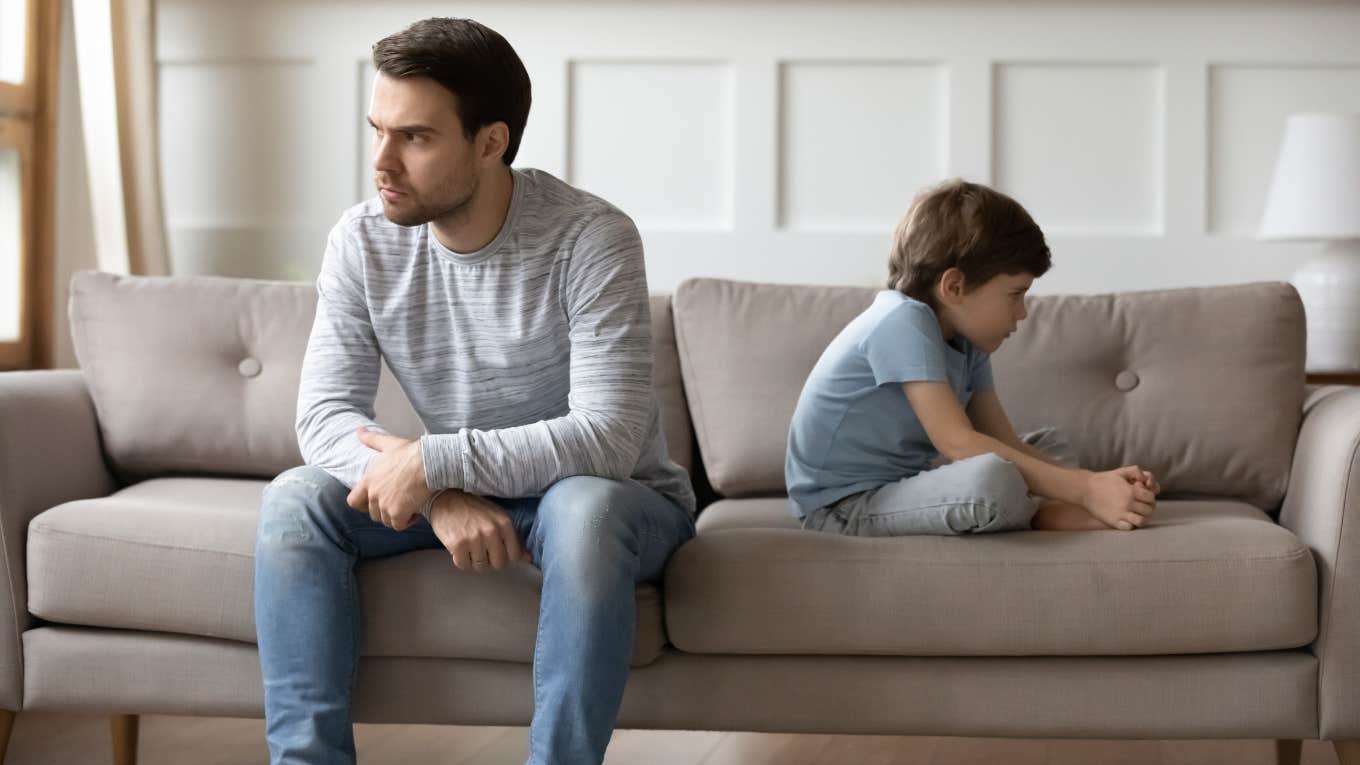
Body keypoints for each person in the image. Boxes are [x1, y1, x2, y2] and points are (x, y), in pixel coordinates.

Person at [252, 16, 696, 765]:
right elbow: (324, 416)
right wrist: (437, 493)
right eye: (377, 130)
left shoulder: (591, 236)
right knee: (296, 499)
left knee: (581, 504)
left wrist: (434, 462)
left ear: (491, 142)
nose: (382, 162)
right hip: (470, 490)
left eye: (416, 138)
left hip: (614, 498)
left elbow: (608, 436)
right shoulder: (362, 240)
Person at [785, 179, 1159, 538]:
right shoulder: (901, 320)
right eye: (1015, 294)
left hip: (898, 487)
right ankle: (1042, 513)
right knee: (990, 480)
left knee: (1047, 446)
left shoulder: (967, 341)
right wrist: (1083, 489)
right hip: (842, 507)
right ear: (954, 287)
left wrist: (1099, 482)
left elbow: (1002, 440)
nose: (1022, 313)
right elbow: (958, 444)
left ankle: (1053, 505)